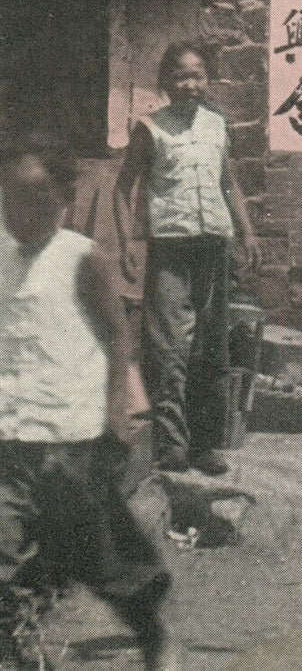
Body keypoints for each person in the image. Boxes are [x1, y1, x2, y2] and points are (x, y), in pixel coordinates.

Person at [0, 132, 177, 670]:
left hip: (71, 439)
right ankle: (22, 643)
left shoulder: (83, 259)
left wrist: (118, 413)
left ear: (64, 201)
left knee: (101, 557)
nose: (19, 215)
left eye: (34, 202)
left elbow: (117, 338)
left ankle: (151, 631)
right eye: (8, 201)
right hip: (10, 432)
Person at [114, 42, 261, 477]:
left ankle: (205, 444)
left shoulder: (217, 126)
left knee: (211, 347)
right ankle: (171, 445)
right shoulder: (150, 129)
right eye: (181, 76)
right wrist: (127, 243)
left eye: (198, 75)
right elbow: (125, 188)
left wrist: (247, 232)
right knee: (168, 347)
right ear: (165, 82)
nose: (190, 84)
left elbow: (228, 184)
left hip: (214, 245)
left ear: (207, 80)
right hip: (171, 248)